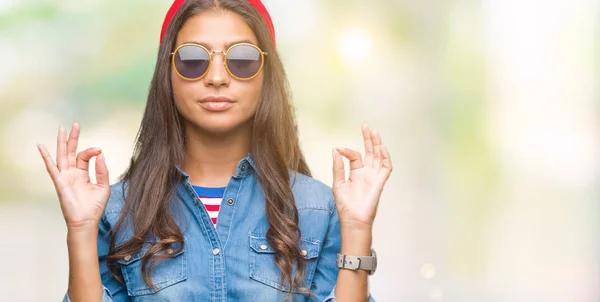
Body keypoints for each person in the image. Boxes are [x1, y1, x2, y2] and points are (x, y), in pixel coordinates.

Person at [37, 0, 393, 301]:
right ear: (168, 74)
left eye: (242, 59)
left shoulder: (317, 207)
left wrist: (358, 228)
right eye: (193, 59)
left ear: (267, 75)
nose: (218, 77)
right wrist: (81, 230)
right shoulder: (116, 210)